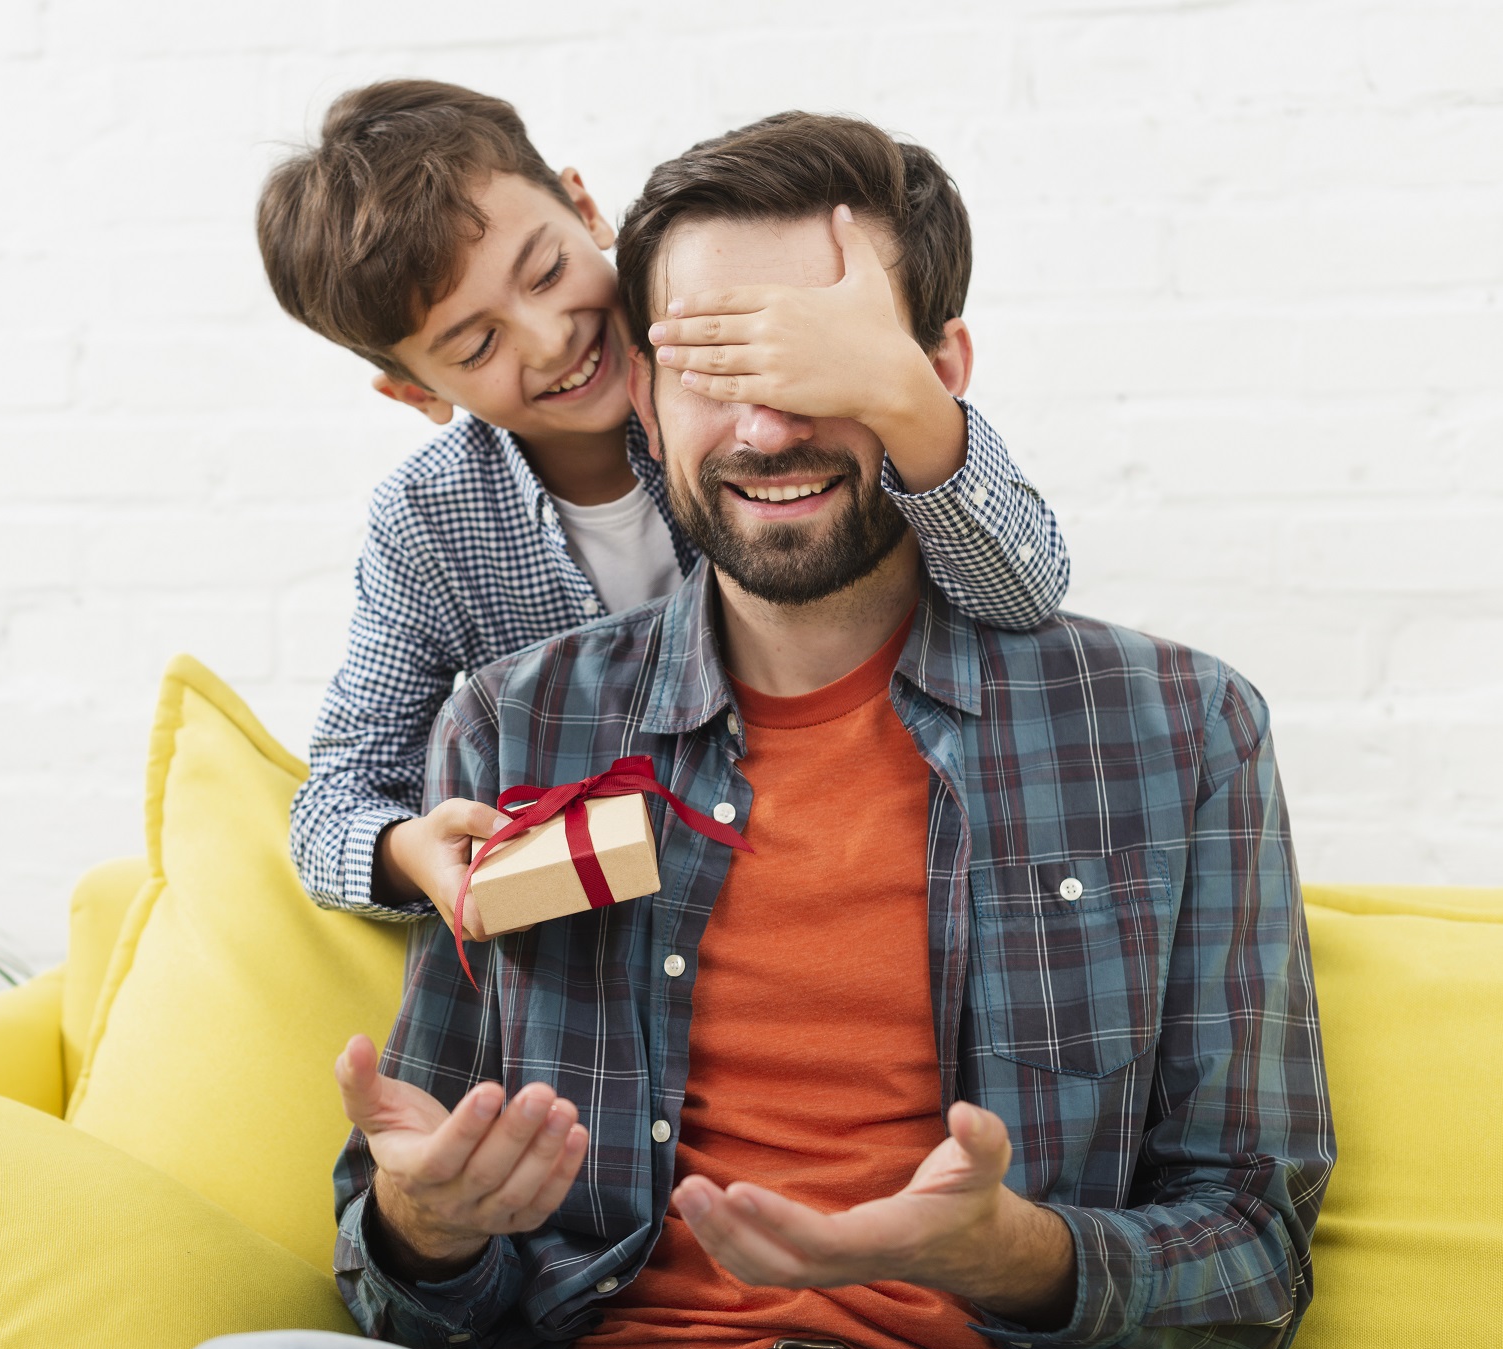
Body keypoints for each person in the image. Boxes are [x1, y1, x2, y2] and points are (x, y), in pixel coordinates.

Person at [166, 112, 1332, 1349]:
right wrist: (427, 1227)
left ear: (938, 370)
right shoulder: (510, 726)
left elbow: (1247, 1268)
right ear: (648, 408)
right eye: (713, 366)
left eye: (818, 364)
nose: (767, 426)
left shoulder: (1173, 729)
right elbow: (425, 1307)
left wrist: (1019, 1255)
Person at [260, 81, 1071, 938]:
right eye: (477, 343)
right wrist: (404, 851)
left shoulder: (769, 405)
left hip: (865, 838)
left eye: (544, 271)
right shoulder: (430, 521)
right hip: (647, 925)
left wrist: (904, 393)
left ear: (582, 207)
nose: (550, 336)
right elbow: (337, 795)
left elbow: (1023, 591)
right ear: (415, 390)